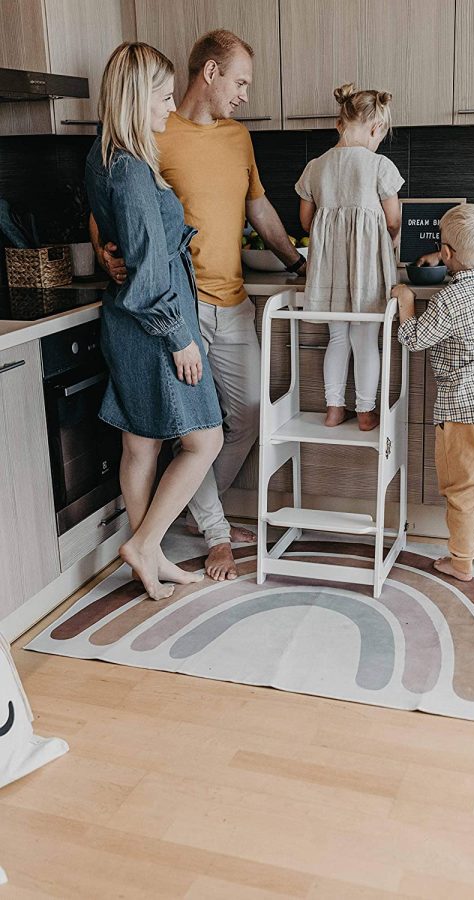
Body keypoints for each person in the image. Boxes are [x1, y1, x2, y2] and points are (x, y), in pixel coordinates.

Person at [91, 30, 305, 582]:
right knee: (197, 432)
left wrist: (299, 264)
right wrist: (105, 251)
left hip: (218, 303)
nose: (243, 95)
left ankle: (159, 538)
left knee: (239, 415)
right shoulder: (147, 137)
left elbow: (258, 209)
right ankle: (202, 533)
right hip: (174, 312)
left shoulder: (231, 140)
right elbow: (115, 217)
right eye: (240, 81)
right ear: (209, 73)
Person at [85, 42, 223, 601]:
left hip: (129, 322)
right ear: (136, 97)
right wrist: (179, 337)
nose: (171, 108)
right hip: (153, 326)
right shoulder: (134, 172)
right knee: (205, 440)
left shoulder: (102, 157)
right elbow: (147, 265)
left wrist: (106, 251)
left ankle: (150, 555)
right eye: (163, 97)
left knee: (141, 444)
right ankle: (146, 546)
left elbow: (114, 235)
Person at [394, 204, 474, 582]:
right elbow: (469, 262)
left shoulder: (447, 301)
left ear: (447, 253)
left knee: (463, 489)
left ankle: (461, 561)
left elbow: (413, 338)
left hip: (461, 411)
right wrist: (445, 255)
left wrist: (406, 301)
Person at [295, 83, 402, 431]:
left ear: (341, 122)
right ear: (375, 128)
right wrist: (391, 237)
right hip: (366, 271)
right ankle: (367, 411)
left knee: (337, 338)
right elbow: (393, 219)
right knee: (365, 339)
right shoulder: (379, 166)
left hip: (328, 271)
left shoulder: (315, 166)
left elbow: (305, 220)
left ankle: (333, 408)